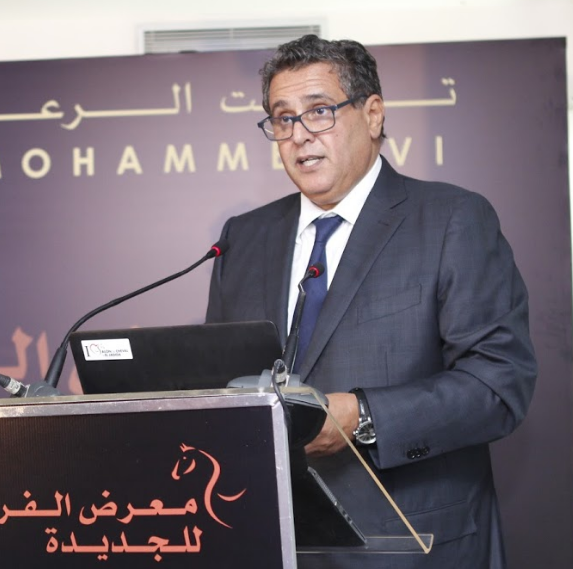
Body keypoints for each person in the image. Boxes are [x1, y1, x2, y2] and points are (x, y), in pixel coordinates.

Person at [206, 35, 536, 568]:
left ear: (373, 114)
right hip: (272, 541)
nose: (299, 135)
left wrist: (361, 416)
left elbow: (499, 385)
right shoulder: (243, 238)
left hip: (412, 547)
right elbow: (224, 386)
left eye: (319, 111)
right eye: (283, 118)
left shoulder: (452, 219)